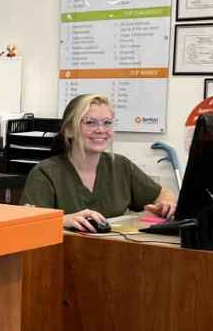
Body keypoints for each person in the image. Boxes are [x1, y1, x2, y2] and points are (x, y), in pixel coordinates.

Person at [20, 93, 175, 232]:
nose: (101, 130)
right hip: (60, 256)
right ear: (69, 130)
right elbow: (27, 225)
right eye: (90, 122)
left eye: (107, 123)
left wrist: (166, 203)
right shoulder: (45, 173)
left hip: (113, 253)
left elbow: (162, 193)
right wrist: (63, 220)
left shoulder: (120, 166)